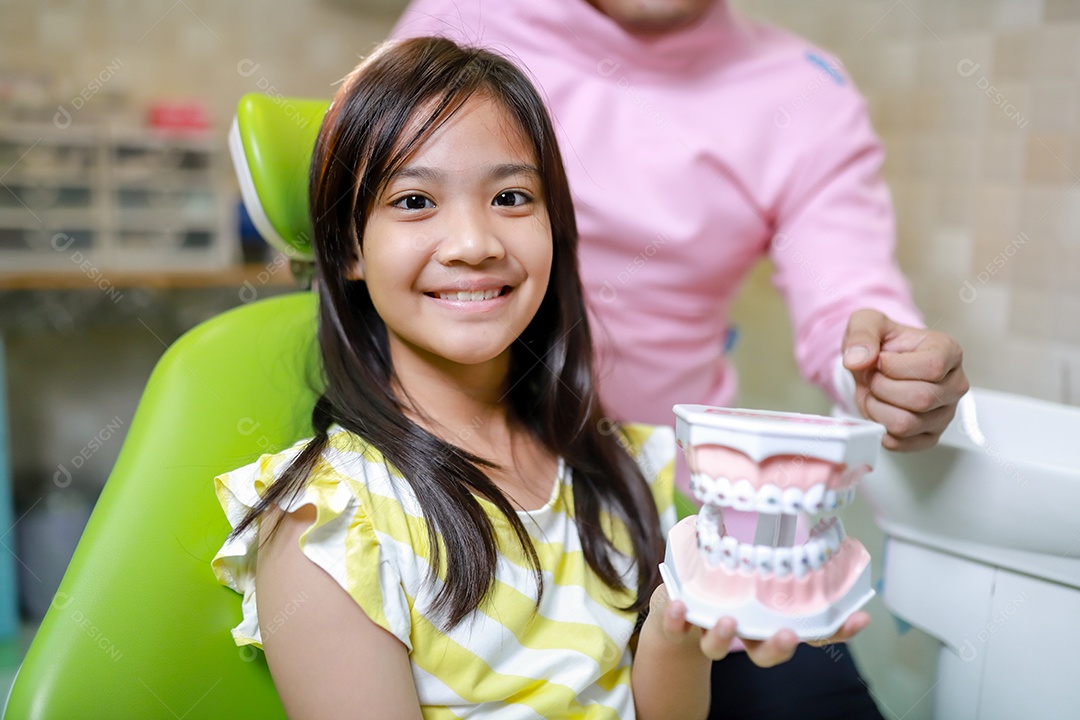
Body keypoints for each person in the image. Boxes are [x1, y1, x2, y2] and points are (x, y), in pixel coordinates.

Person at [211, 37, 864, 719]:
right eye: (413, 201)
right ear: (349, 246)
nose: (474, 243)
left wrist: (678, 626)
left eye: (512, 196)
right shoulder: (334, 528)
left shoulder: (618, 472)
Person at [389, 1, 969, 718]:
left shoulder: (802, 90)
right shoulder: (459, 22)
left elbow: (847, 295)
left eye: (512, 198)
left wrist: (889, 367)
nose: (475, 243)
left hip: (681, 509)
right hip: (463, 494)